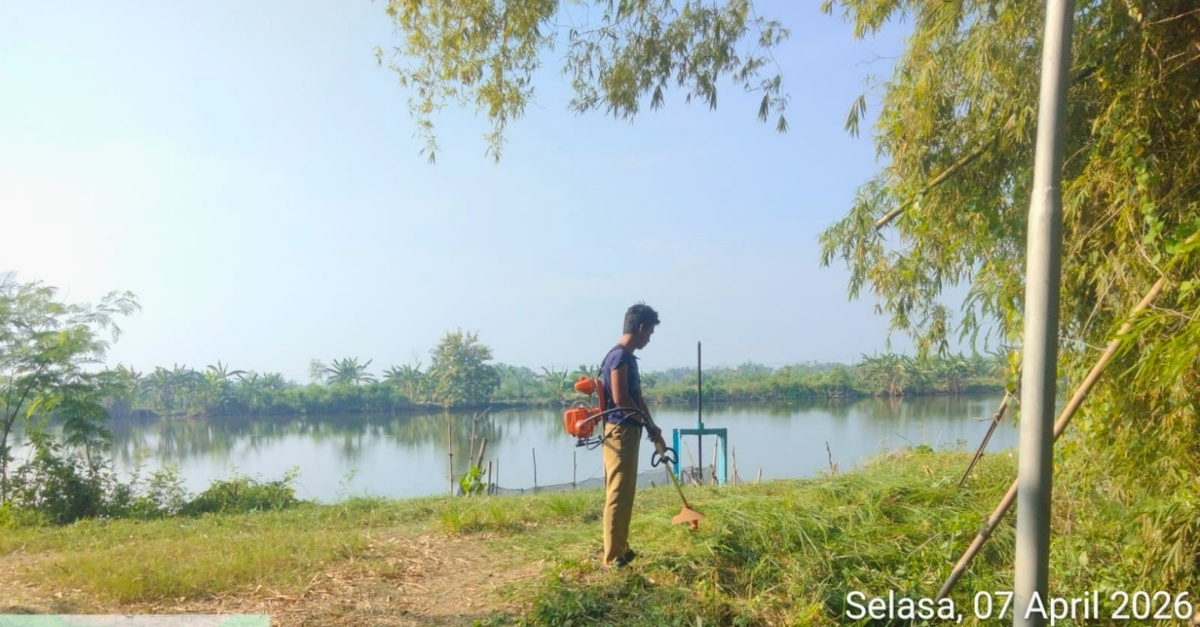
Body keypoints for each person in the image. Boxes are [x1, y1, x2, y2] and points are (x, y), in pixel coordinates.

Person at [599, 302, 662, 568]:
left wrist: (652, 426)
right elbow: (621, 397)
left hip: (630, 429)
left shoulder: (627, 358)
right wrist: (643, 420)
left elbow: (636, 397)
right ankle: (613, 558)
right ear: (640, 328)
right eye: (649, 333)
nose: (649, 338)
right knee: (618, 493)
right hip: (621, 431)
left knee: (626, 493)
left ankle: (622, 548)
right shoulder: (619, 358)